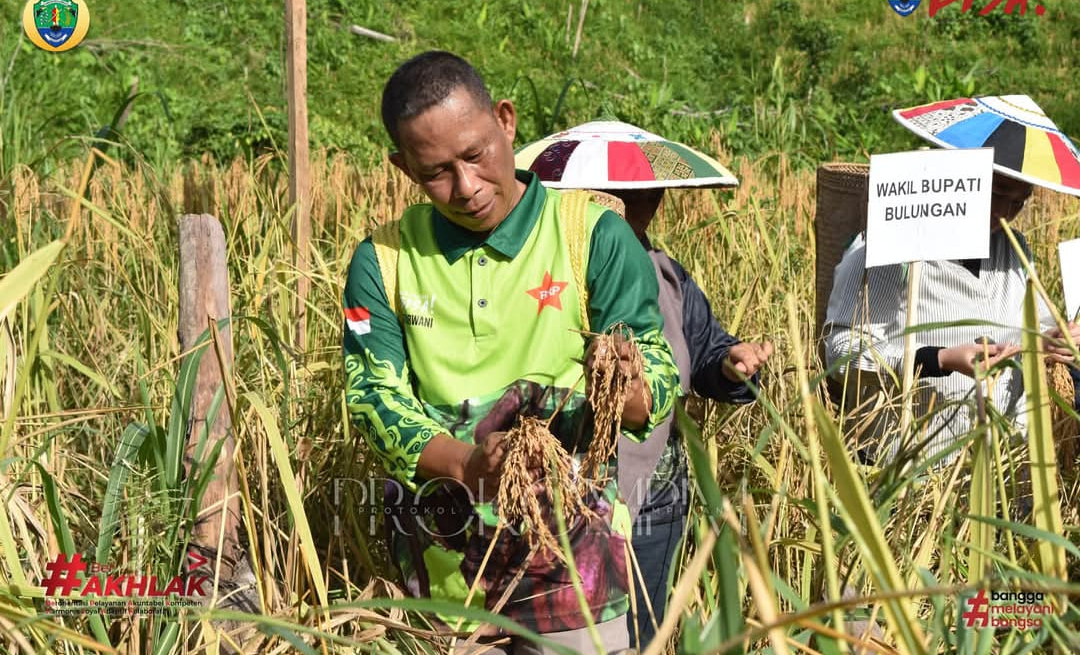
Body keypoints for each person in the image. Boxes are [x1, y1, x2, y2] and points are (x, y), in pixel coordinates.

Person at [342, 51, 679, 654]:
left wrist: (628, 390)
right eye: (436, 172)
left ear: (506, 121)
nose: (466, 188)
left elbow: (654, 370)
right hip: (445, 575)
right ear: (402, 167)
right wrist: (467, 465)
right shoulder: (383, 262)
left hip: (578, 570)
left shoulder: (595, 235)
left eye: (475, 155)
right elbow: (373, 398)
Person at [518, 123, 773, 648]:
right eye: (620, 198)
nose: (638, 207)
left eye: (644, 196)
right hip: (562, 492)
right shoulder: (542, 275)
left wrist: (732, 364)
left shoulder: (667, 275)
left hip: (654, 491)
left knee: (640, 629)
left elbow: (702, 353)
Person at [824, 95, 1080, 464]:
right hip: (916, 465)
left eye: (1019, 202)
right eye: (996, 195)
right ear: (961, 179)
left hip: (1004, 466)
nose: (1005, 214)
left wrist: (1051, 340)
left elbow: (1030, 327)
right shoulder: (892, 243)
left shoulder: (1013, 249)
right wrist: (937, 359)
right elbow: (841, 350)